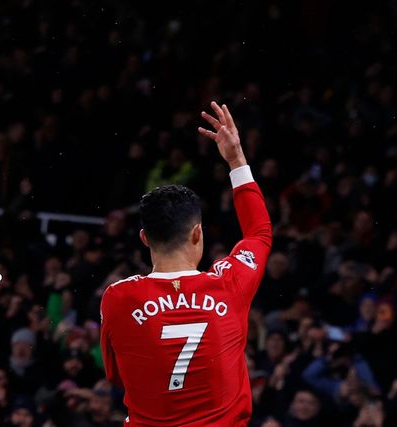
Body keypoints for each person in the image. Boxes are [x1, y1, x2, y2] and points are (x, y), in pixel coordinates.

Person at [100, 102, 272, 425]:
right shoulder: (228, 285)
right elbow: (259, 234)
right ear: (197, 234)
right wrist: (236, 160)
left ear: (144, 238)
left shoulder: (117, 298)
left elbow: (115, 376)